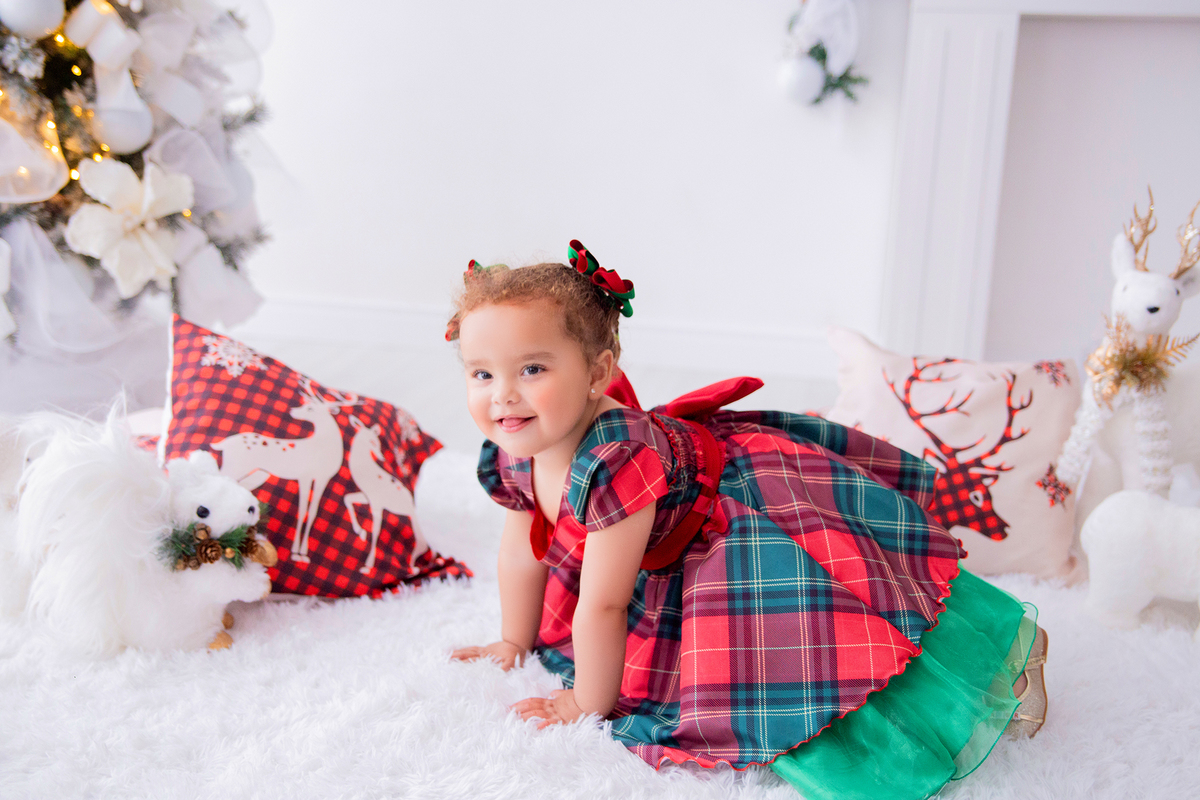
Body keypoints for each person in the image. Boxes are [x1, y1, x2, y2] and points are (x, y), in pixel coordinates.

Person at [448, 242, 1048, 800]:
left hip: (732, 520)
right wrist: (513, 640)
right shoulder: (518, 438)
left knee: (817, 646)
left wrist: (585, 701)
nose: (503, 396)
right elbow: (523, 548)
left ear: (598, 371)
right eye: (482, 374)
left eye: (532, 370)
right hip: (658, 534)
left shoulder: (615, 459)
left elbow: (604, 604)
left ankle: (1000, 654)